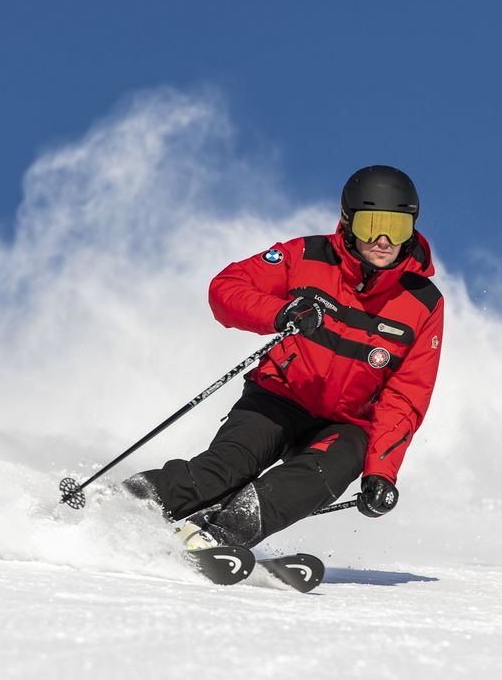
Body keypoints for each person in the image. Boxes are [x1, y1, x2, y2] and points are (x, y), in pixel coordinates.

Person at [123, 165, 444, 549]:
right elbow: (226, 289)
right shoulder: (306, 256)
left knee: (330, 468)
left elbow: (405, 397)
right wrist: (280, 312)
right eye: (370, 224)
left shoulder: (423, 302)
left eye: (397, 227)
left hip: (345, 424)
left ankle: (219, 536)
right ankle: (118, 505)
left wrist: (382, 473)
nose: (382, 239)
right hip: (278, 398)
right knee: (225, 469)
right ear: (347, 221)